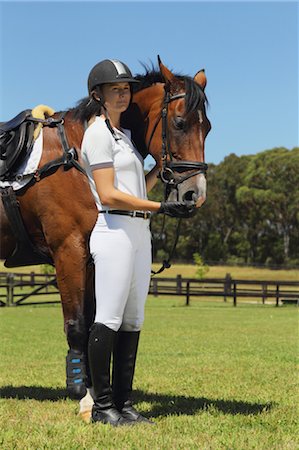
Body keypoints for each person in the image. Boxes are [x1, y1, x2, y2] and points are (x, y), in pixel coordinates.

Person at [81, 59, 195, 426]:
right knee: (109, 318)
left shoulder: (126, 139)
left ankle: (125, 404)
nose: (123, 93)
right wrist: (161, 206)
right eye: (115, 89)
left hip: (138, 232)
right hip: (113, 230)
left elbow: (135, 189)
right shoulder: (97, 133)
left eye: (126, 88)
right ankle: (102, 407)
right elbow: (109, 194)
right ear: (98, 95)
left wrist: (160, 180)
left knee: (133, 319)